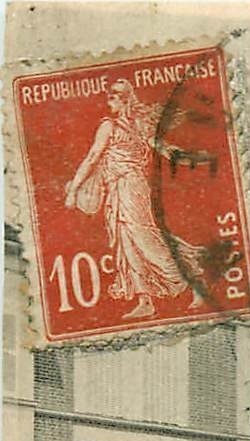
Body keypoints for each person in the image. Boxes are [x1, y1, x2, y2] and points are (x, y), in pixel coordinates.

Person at [63, 79, 208, 320]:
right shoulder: (127, 126)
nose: (110, 98)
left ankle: (195, 283)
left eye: (115, 95)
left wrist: (72, 190)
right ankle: (145, 300)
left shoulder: (113, 126)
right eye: (109, 94)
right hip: (117, 189)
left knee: (145, 239)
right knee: (127, 243)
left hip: (130, 186)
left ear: (125, 99)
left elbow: (92, 157)